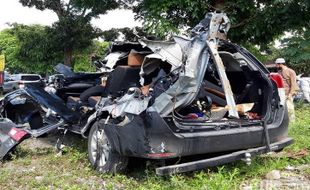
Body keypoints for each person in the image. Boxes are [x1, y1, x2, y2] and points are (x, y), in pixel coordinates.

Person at [275, 58, 299, 122]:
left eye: (277, 65)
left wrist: (290, 94)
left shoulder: (291, 71)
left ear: (280, 64)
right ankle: (285, 122)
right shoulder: (279, 72)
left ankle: (292, 122)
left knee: (289, 108)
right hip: (282, 93)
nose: (276, 66)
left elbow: (293, 83)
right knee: (282, 109)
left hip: (289, 93)